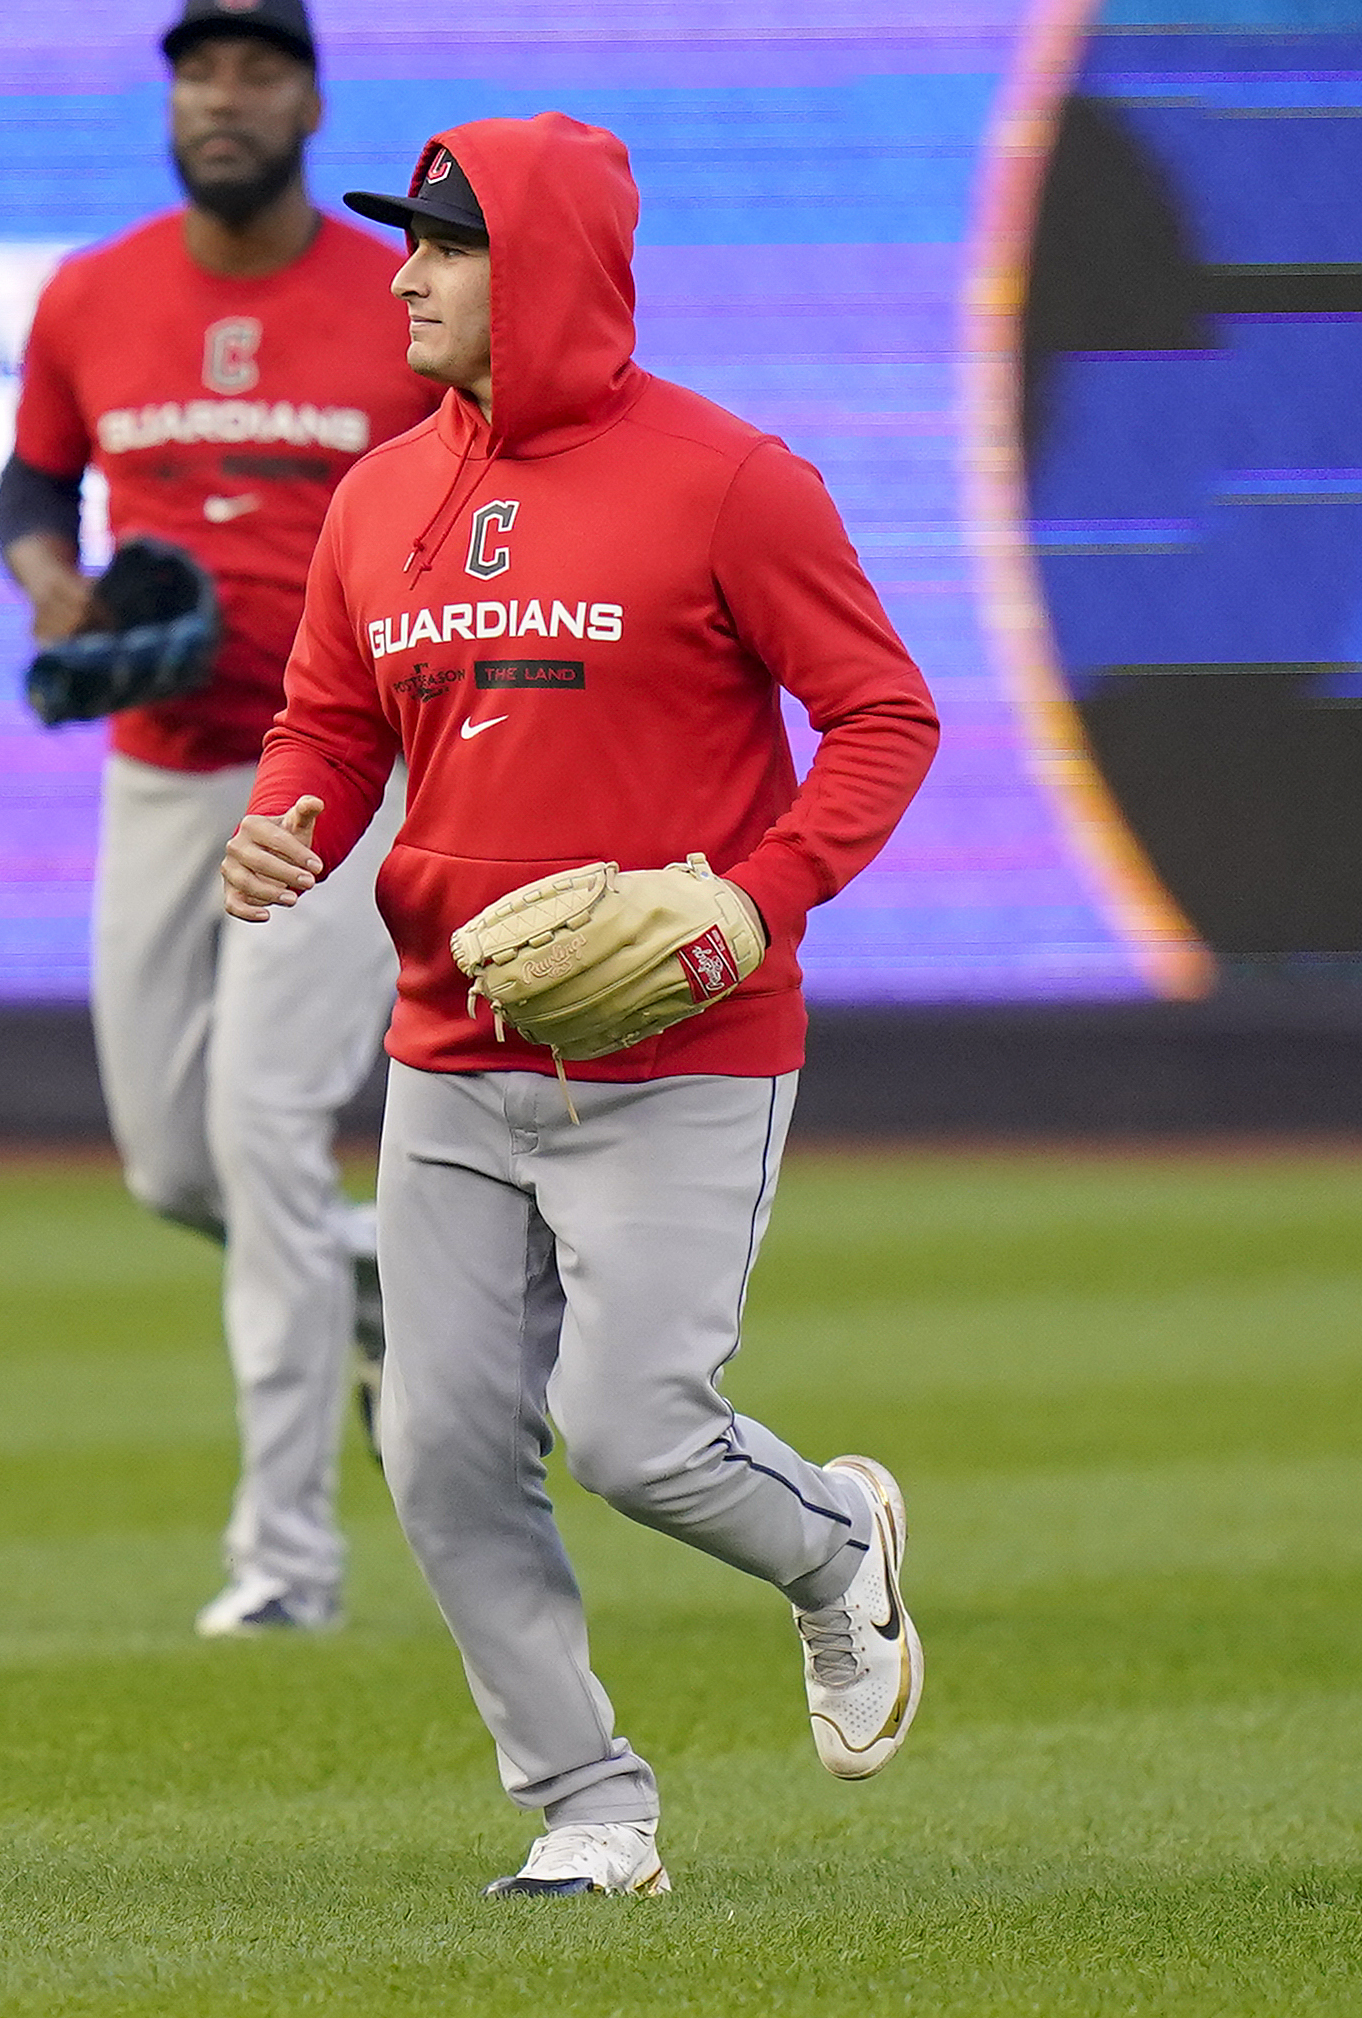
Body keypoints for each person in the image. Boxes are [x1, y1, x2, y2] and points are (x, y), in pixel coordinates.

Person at [222, 116, 940, 1899]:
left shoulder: (727, 479)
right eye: (403, 245)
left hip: (677, 1051)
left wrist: (750, 907)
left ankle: (834, 1544)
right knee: (441, 1452)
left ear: (533, 270)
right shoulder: (381, 494)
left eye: (441, 249)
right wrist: (286, 824)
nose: (399, 274)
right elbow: (330, 722)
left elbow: (884, 718)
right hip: (451, 1051)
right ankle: (588, 1810)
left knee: (631, 1429)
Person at [0, 0, 435, 1638]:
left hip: (336, 772)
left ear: (311, 106)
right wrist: (53, 583)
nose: (225, 97)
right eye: (200, 72)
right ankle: (406, 1281)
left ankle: (283, 1567)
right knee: (171, 1163)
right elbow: (35, 485)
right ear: (169, 102)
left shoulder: (389, 299)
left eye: (260, 71)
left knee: (259, 1134)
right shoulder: (93, 293)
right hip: (163, 767)